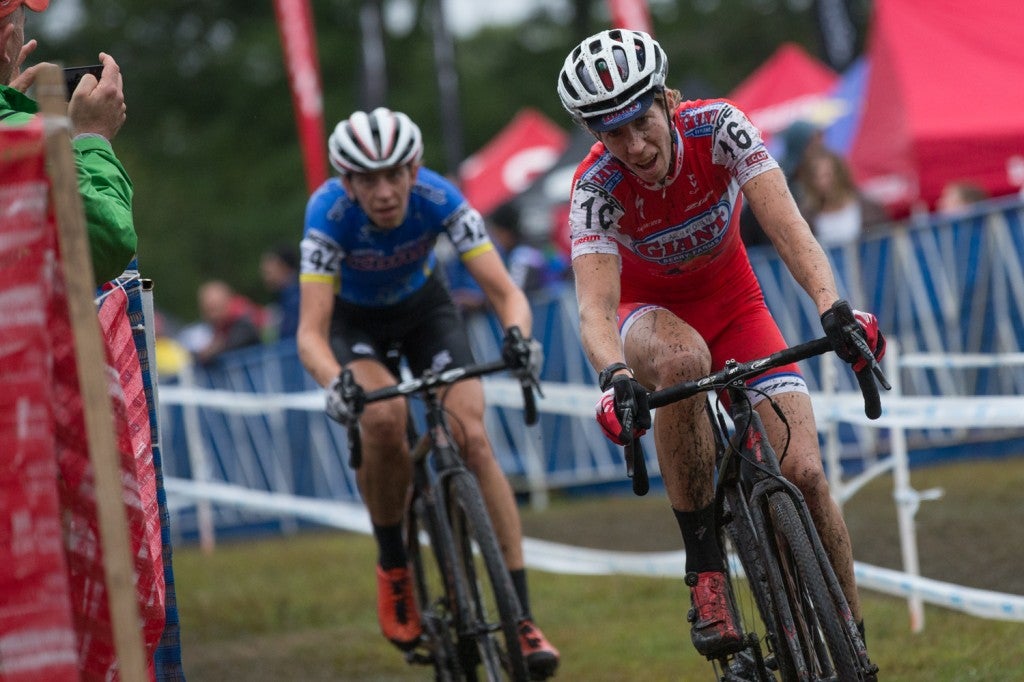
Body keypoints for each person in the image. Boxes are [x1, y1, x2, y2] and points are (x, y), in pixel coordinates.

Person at [555, 29, 885, 662]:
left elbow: (790, 230)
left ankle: (851, 642)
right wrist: (615, 377)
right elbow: (594, 309)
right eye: (613, 134)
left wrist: (834, 309)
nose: (634, 145)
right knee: (682, 363)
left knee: (807, 475)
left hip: (736, 304)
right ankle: (706, 570)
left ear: (667, 101)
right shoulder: (596, 188)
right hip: (653, 318)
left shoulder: (723, 130)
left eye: (641, 122)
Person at [296, 107, 559, 678]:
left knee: (472, 437)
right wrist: (334, 381)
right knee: (385, 418)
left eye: (395, 175)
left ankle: (521, 616)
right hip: (354, 325)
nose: (385, 192)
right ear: (348, 183)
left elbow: (505, 292)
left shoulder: (439, 197)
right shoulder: (327, 214)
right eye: (368, 180)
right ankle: (394, 566)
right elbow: (310, 334)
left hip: (424, 312)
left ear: (414, 170)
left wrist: (519, 337)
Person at [1, 0, 135, 285]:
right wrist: (92, 136)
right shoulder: (30, 139)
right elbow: (106, 244)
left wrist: (10, 105)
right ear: (5, 40)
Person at [796, 147, 888, 247]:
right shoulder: (808, 217)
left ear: (840, 174)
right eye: (818, 177)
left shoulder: (868, 208)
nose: (825, 182)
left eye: (828, 175)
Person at [193, 279, 263, 365]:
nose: (211, 316)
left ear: (227, 301)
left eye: (214, 308)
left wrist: (212, 351)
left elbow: (237, 340)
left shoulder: (244, 318)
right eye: (207, 310)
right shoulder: (219, 328)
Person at [259, 242, 301, 340]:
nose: (265, 278)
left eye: (268, 272)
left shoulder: (296, 299)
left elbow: (290, 338)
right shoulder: (284, 298)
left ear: (283, 267)